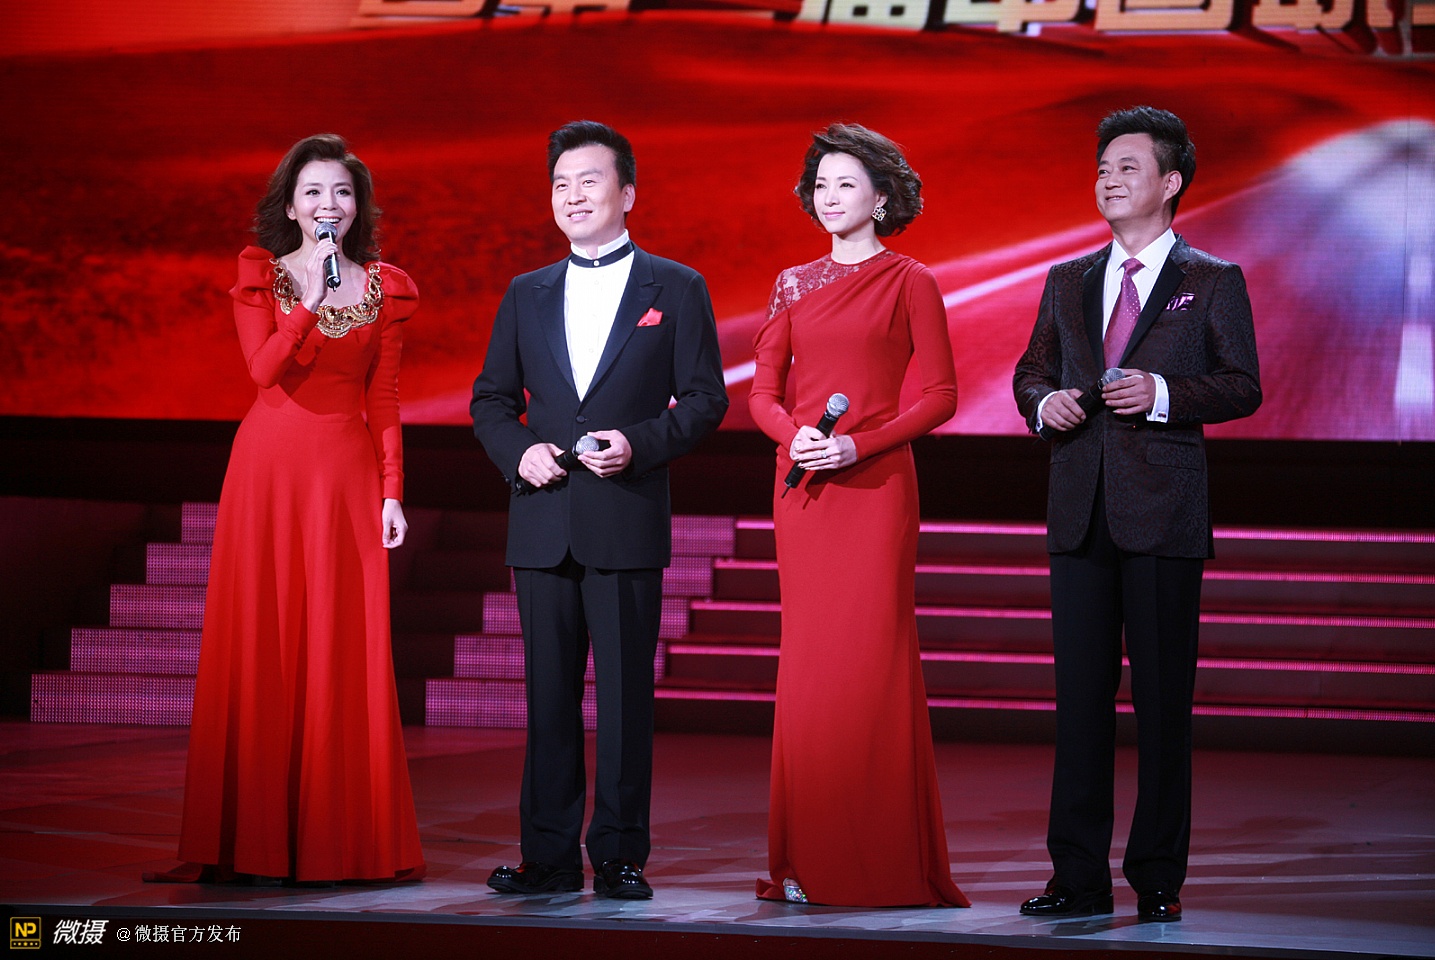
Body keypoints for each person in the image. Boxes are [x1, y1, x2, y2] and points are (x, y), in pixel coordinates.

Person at [1013, 106, 1261, 922]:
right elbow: (1031, 371)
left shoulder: (1211, 279)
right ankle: (1076, 876)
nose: (1109, 181)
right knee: (1078, 706)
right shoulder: (1067, 278)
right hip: (1079, 511)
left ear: (1170, 181)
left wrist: (1160, 393)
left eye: (1127, 167)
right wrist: (1042, 403)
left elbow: (1242, 384)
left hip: (1164, 514)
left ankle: (1157, 877)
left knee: (1161, 707)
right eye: (1102, 168)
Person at [154, 134, 424, 883]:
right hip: (268, 471)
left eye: (341, 192)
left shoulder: (387, 288)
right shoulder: (260, 276)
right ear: (292, 206)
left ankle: (337, 838)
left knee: (341, 643)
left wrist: (392, 490)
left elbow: (384, 396)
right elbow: (264, 369)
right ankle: (252, 840)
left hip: (343, 475)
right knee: (262, 638)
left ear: (358, 207)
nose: (328, 205)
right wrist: (308, 301)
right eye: (313, 192)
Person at [471, 121, 727, 900]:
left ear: (628, 193)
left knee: (623, 701)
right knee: (547, 700)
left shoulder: (675, 287)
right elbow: (490, 401)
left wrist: (637, 444)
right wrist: (520, 452)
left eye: (589, 180)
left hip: (625, 516)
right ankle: (547, 857)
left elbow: (706, 399)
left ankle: (618, 853)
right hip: (543, 520)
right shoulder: (526, 292)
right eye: (561, 184)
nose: (573, 195)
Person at [749, 122, 968, 908]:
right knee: (809, 669)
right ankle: (805, 859)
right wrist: (796, 437)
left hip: (876, 492)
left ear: (881, 198)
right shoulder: (791, 283)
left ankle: (880, 859)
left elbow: (941, 396)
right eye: (821, 185)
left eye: (846, 184)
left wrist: (858, 445)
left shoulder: (912, 280)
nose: (830, 197)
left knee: (872, 667)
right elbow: (763, 393)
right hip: (804, 490)